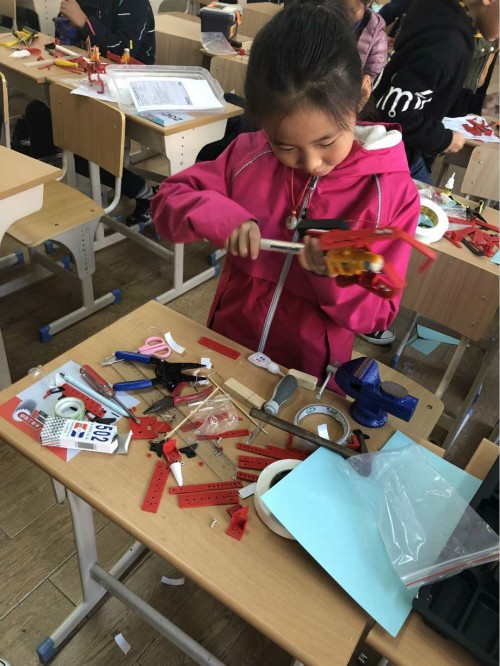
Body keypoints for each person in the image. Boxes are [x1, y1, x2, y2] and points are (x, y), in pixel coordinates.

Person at [152, 0, 421, 391]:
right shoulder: (248, 155)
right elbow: (167, 203)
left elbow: (378, 315)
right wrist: (222, 217)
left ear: (362, 94)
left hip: (309, 376)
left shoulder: (390, 195)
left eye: (326, 142)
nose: (310, 163)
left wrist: (338, 275)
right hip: (227, 348)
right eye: (285, 146)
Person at [21, 0, 157, 226]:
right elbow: (68, 37)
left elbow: (124, 48)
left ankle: (144, 192)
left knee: (79, 140)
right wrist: (66, 25)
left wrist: (83, 21)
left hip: (129, 85)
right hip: (92, 77)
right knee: (38, 112)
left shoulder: (135, 3)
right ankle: (50, 190)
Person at [371, 0, 500, 185]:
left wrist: (478, 104)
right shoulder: (447, 41)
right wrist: (444, 139)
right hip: (387, 156)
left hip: (400, 150)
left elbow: (432, 95)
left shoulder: (442, 18)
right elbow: (395, 113)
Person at [341, 0, 388, 81]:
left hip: (350, 84)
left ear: (368, 3)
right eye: (341, 9)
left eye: (353, 11)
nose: (346, 16)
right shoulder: (328, 17)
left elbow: (374, 71)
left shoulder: (376, 33)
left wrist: (366, 79)